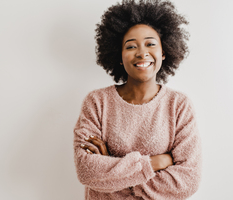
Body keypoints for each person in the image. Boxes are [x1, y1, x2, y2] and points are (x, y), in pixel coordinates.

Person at [73, 0, 202, 199]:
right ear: (119, 55)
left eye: (150, 44)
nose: (142, 52)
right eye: (131, 46)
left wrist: (113, 174)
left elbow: (188, 181)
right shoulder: (97, 102)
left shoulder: (178, 106)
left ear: (164, 51)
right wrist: (155, 163)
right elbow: (86, 170)